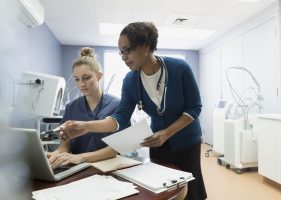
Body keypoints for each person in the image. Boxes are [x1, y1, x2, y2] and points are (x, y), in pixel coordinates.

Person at [60, 22, 207, 200]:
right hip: (157, 143)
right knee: (164, 189)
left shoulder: (179, 68)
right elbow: (120, 118)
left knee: (190, 190)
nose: (123, 56)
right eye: (121, 52)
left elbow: (195, 107)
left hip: (186, 140)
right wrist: (86, 126)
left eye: (127, 50)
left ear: (145, 46)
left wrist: (168, 132)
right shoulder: (130, 80)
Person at [47, 47, 120, 169]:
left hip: (108, 168)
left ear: (99, 76)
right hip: (77, 169)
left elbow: (116, 148)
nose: (81, 84)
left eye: (86, 78)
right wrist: (57, 154)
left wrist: (81, 157)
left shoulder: (117, 105)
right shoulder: (71, 107)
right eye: (77, 79)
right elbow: (66, 143)